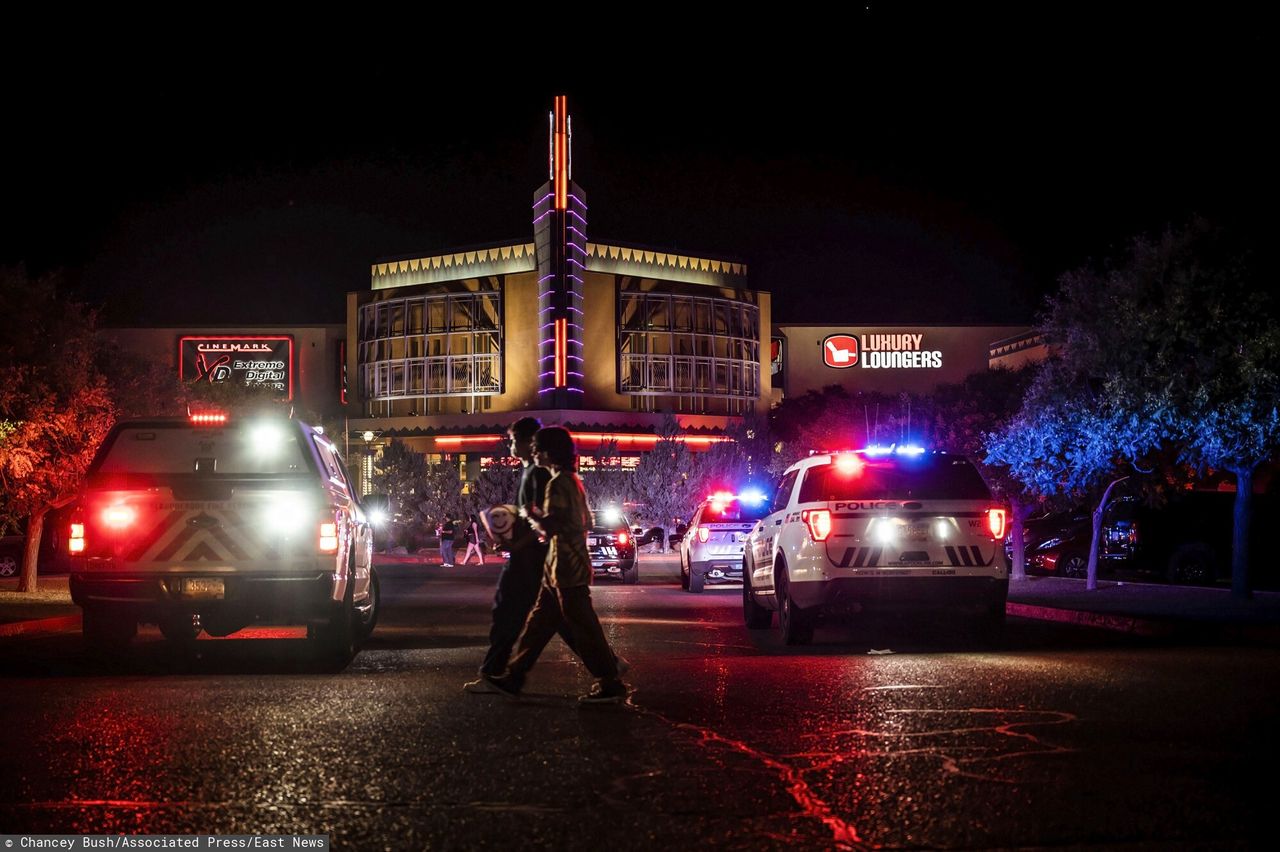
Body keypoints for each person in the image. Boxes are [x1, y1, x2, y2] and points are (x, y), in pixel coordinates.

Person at [483, 425, 628, 704]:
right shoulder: (570, 480)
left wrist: (531, 515)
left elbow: (554, 525)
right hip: (557, 570)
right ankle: (514, 678)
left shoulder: (558, 483)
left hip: (567, 570)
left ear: (549, 453)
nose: (534, 452)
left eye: (537, 448)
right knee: (537, 627)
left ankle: (611, 682)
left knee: (585, 627)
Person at [464, 417, 582, 693]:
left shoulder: (539, 475)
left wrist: (516, 544)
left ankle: (493, 673)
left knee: (508, 612)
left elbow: (545, 519)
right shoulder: (530, 472)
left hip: (529, 560)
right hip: (530, 558)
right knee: (554, 619)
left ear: (531, 443)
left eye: (514, 440)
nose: (510, 446)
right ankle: (607, 665)